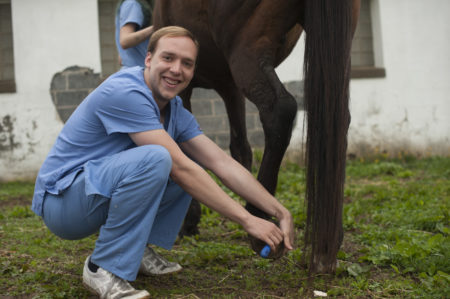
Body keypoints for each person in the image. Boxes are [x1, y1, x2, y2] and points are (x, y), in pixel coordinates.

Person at [32, 26, 294, 298]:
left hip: (93, 192)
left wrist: (279, 212)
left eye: (187, 63)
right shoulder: (125, 92)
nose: (176, 69)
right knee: (162, 158)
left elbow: (221, 163)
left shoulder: (173, 110)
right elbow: (180, 169)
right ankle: (102, 267)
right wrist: (248, 220)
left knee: (187, 157)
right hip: (62, 203)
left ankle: (137, 248)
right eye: (168, 58)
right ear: (148, 60)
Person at [115, 0, 154, 68]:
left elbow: (120, 58)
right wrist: (156, 27)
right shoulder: (132, 4)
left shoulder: (130, 4)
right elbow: (125, 41)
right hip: (138, 71)